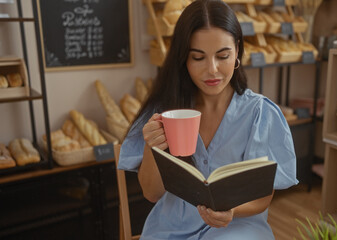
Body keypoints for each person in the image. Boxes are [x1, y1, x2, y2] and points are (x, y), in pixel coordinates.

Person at [118, 0, 298, 239]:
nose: (212, 69)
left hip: (235, 226)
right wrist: (152, 148)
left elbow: (262, 196)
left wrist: (231, 211)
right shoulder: (164, 110)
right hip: (171, 227)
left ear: (237, 52)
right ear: (183, 59)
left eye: (222, 56)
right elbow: (151, 194)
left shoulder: (259, 113)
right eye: (198, 57)